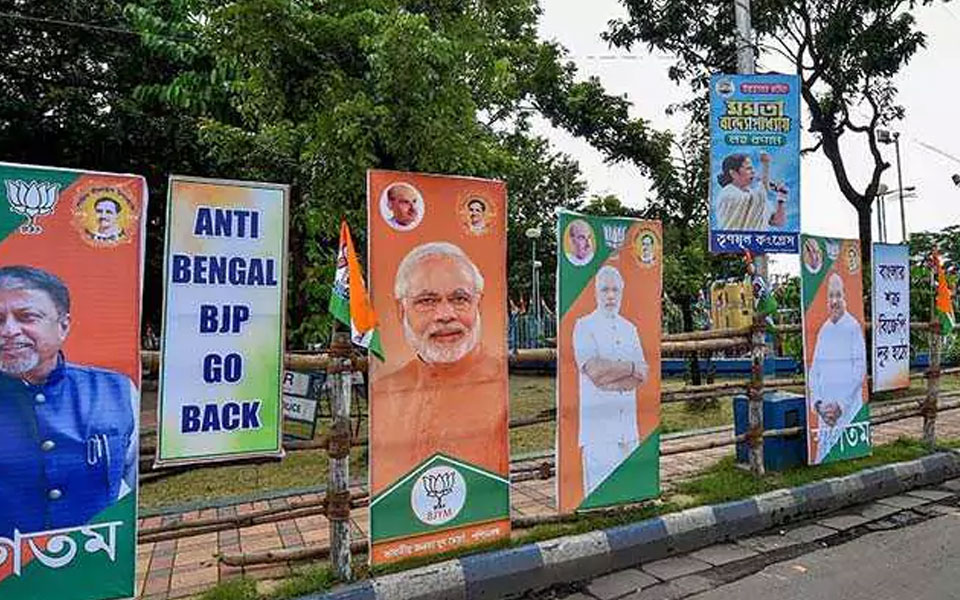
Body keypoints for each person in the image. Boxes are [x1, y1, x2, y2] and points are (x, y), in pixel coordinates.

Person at [0, 265, 137, 538]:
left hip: (94, 563)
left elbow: (130, 484)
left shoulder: (115, 391)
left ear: (63, 326)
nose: (9, 330)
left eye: (27, 316)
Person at [373, 242, 506, 490]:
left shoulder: (500, 384)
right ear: (401, 311)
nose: (445, 314)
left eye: (459, 299)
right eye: (427, 301)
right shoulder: (385, 391)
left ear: (478, 304)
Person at [572, 265, 648, 496]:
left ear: (622, 292)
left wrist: (613, 375)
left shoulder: (630, 329)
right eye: (605, 290)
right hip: (599, 429)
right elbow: (595, 373)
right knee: (600, 494)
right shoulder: (584, 326)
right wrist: (629, 368)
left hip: (628, 427)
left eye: (615, 290)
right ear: (596, 292)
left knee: (630, 491)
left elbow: (642, 374)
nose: (611, 295)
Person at [808, 272, 866, 463]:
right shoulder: (824, 330)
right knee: (824, 456)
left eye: (838, 295)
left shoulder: (853, 327)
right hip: (825, 415)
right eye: (830, 296)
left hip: (846, 412)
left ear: (845, 297)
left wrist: (840, 405)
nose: (834, 301)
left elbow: (859, 372)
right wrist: (819, 405)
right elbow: (814, 372)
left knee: (844, 453)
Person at [715, 152, 786, 231]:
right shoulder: (728, 193)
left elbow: (778, 221)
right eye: (748, 169)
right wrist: (765, 166)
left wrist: (781, 198)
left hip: (758, 242)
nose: (753, 172)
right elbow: (758, 196)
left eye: (752, 168)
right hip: (733, 241)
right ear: (733, 173)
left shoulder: (755, 196)